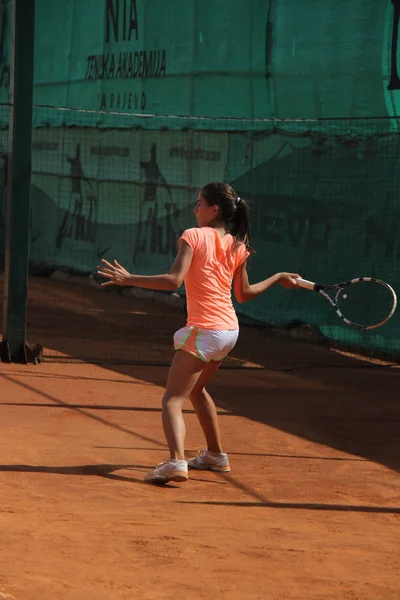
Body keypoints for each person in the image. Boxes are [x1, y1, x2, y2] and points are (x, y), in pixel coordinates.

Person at [97, 182, 300, 484]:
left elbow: (173, 281)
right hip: (229, 333)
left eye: (199, 203)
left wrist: (130, 279)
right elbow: (243, 295)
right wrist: (278, 277)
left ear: (214, 209)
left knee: (171, 400)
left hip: (205, 330)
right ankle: (215, 456)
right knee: (196, 389)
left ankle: (176, 462)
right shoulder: (237, 245)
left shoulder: (193, 236)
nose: (195, 209)